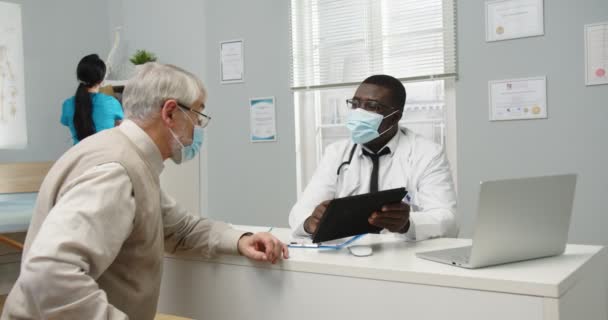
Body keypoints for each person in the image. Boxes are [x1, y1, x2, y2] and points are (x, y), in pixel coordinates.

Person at [2, 63, 288, 320]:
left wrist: (240, 239)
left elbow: (180, 228)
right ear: (170, 112)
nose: (198, 128)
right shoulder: (116, 172)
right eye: (197, 116)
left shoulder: (130, 159)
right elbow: (49, 276)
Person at [289, 75, 457, 241]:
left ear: (395, 117)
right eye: (355, 104)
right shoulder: (336, 152)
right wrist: (309, 222)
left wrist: (408, 224)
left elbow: (448, 220)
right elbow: (300, 212)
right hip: (347, 252)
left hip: (402, 256)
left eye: (371, 106)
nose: (359, 112)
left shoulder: (427, 153)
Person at [61, 54, 124, 144]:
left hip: (79, 155)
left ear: (79, 77)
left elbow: (68, 122)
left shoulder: (67, 104)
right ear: (101, 80)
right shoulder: (111, 102)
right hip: (106, 155)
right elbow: (121, 126)